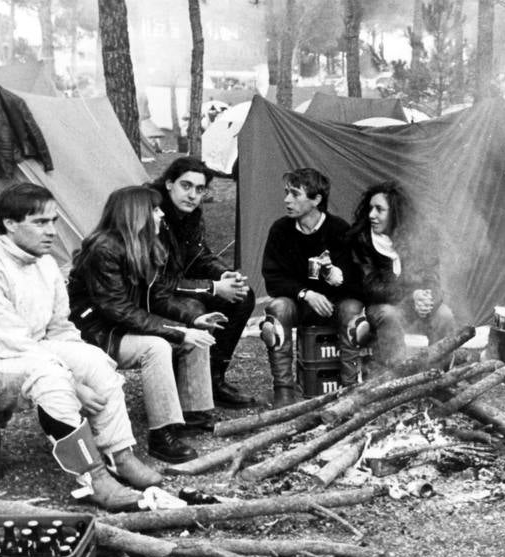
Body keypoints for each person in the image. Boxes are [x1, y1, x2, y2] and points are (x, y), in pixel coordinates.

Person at [0, 183, 159, 511]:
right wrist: (73, 384)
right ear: (10, 224)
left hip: (21, 352)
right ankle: (93, 478)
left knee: (95, 361)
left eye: (54, 221)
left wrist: (83, 367)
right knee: (50, 377)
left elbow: (59, 329)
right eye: (40, 222)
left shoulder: (43, 262)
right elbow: (5, 341)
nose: (51, 231)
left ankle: (119, 454)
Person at [68, 186, 222, 465]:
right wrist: (177, 331)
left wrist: (193, 321)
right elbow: (117, 310)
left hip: (123, 326)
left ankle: (192, 413)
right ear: (135, 213)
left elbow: (158, 296)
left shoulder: (144, 245)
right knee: (157, 346)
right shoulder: (104, 249)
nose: (161, 214)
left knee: (196, 334)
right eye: (155, 209)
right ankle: (161, 435)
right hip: (98, 334)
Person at [153, 156, 256, 407]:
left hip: (173, 285)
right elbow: (156, 282)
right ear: (169, 183)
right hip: (145, 295)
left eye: (199, 189)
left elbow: (200, 255)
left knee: (244, 294)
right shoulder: (151, 213)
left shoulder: (190, 215)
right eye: (186, 186)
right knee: (193, 308)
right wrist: (213, 288)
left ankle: (214, 378)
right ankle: (184, 388)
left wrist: (223, 276)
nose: (192, 195)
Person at [259, 168, 363, 407]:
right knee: (277, 309)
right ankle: (284, 390)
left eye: (295, 194)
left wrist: (336, 277)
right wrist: (306, 294)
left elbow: (355, 280)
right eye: (287, 193)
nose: (287, 200)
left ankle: (349, 389)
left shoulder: (339, 230)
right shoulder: (280, 230)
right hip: (300, 304)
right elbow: (273, 278)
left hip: (334, 305)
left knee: (353, 309)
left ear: (316, 200)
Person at [345, 180, 456, 368]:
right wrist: (411, 296)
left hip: (413, 305)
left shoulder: (417, 240)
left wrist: (428, 300)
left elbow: (433, 279)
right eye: (370, 209)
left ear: (395, 213)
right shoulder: (362, 241)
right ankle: (398, 378)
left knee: (444, 315)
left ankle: (437, 376)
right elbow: (371, 287)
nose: (372, 215)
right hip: (380, 307)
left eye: (379, 210)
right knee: (390, 314)